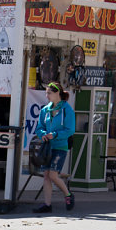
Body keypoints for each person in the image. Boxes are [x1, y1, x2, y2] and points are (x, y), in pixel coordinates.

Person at [32, 82, 76, 213]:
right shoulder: (45, 110)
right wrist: (43, 134)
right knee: (46, 175)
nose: (47, 96)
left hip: (60, 146)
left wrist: (55, 134)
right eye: (46, 93)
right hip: (47, 147)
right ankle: (47, 204)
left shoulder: (67, 109)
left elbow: (70, 130)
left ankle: (68, 194)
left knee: (53, 174)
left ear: (58, 93)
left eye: (49, 93)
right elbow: (39, 128)